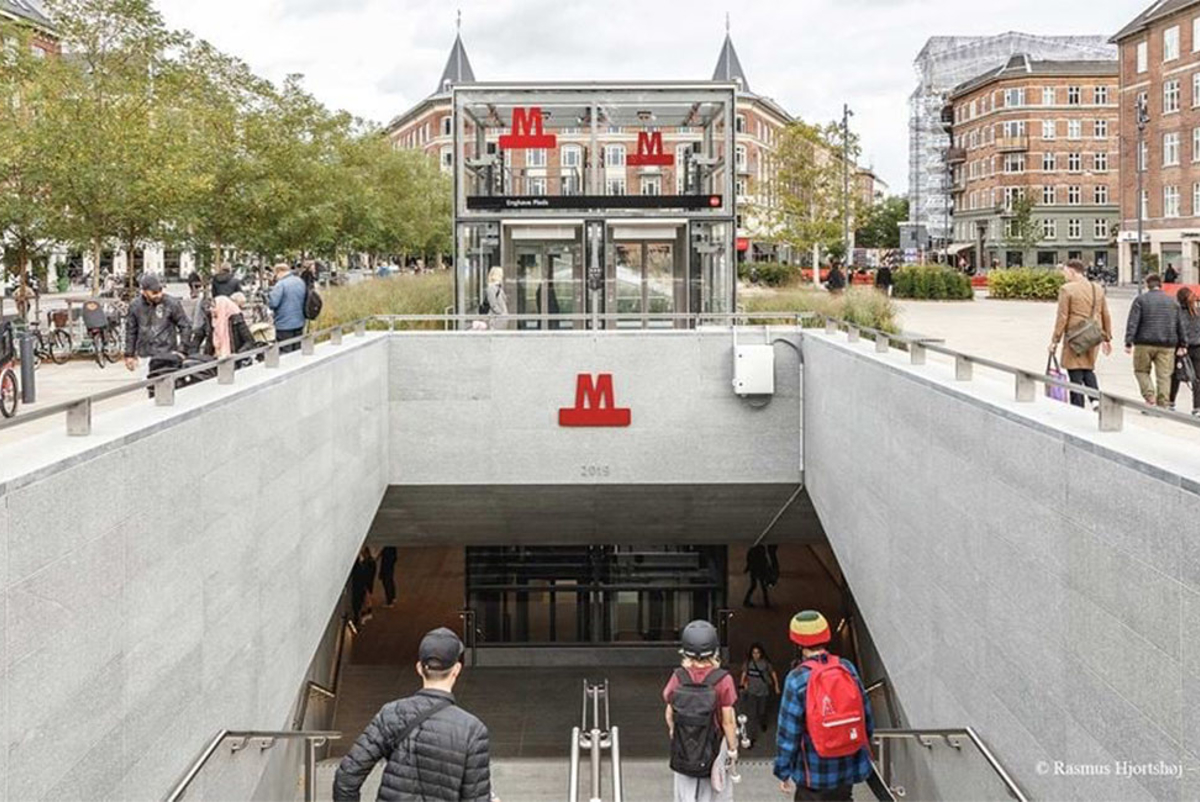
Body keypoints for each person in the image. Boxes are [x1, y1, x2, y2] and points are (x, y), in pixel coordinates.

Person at [333, 627, 494, 802]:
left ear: (419, 668)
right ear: (456, 669)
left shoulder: (391, 714)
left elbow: (346, 777)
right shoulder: (473, 730)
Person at [774, 611, 874, 802]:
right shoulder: (847, 667)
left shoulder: (797, 678)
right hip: (847, 765)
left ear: (798, 641)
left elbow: (788, 733)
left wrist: (783, 770)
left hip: (813, 772)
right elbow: (865, 715)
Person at [663, 620, 739, 802]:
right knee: (715, 793)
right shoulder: (723, 679)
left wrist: (674, 731)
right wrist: (732, 748)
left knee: (684, 794)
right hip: (713, 747)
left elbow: (669, 711)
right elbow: (728, 721)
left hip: (684, 745)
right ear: (714, 649)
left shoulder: (679, 676)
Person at [1048, 259, 1112, 409]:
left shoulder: (1067, 289)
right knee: (1088, 368)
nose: (1064, 275)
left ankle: (1078, 406)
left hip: (1075, 336)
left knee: (1075, 370)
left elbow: (1062, 317)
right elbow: (1106, 314)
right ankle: (1095, 400)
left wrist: (1054, 340)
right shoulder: (1097, 288)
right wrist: (1107, 337)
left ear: (1072, 271)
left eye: (1064, 272)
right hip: (1093, 334)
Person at [1126, 274, 1187, 408]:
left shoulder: (1140, 300)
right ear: (1161, 284)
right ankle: (1163, 403)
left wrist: (1128, 341)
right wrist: (1183, 343)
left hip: (1144, 343)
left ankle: (1150, 396)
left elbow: (1133, 322)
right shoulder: (1173, 302)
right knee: (1164, 375)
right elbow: (1180, 324)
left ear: (1147, 284)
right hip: (1167, 344)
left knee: (1141, 371)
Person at [124, 274, 191, 377]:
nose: (159, 295)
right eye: (154, 292)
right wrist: (129, 354)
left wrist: (182, 350)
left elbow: (185, 325)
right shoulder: (135, 306)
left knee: (168, 387)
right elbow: (131, 331)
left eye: (160, 290)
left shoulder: (171, 303)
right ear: (144, 292)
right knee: (148, 386)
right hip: (145, 355)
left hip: (167, 353)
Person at [739, 643, 780, 749]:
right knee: (752, 714)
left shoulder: (765, 663)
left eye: (757, 653)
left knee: (762, 711)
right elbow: (744, 674)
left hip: (763, 691)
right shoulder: (748, 663)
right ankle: (751, 737)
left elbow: (773, 674)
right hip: (752, 691)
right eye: (754, 653)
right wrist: (742, 685)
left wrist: (776, 686)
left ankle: (763, 721)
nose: (755, 655)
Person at [1170, 287, 1200, 416]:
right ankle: (1197, 407)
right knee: (1197, 379)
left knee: (1175, 376)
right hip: (1197, 347)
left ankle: (1171, 402)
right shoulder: (1198, 312)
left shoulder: (1176, 313)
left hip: (1180, 348)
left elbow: (1175, 330)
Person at [268, 263, 307, 353]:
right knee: (297, 350)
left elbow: (273, 303)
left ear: (279, 272)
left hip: (284, 324)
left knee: (285, 352)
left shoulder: (280, 285)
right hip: (299, 321)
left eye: (275, 274)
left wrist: (269, 297)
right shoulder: (300, 281)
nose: (275, 277)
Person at [350, 546, 377, 628]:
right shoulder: (370, 563)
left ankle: (360, 618)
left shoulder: (365, 564)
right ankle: (363, 616)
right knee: (364, 601)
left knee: (360, 602)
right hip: (365, 585)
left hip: (360, 586)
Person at [743, 544, 772, 608]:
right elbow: (764, 559)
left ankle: (746, 601)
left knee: (754, 585)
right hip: (760, 569)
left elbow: (749, 559)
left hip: (754, 569)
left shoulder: (752, 549)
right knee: (762, 586)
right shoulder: (761, 548)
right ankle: (766, 602)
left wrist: (748, 567)